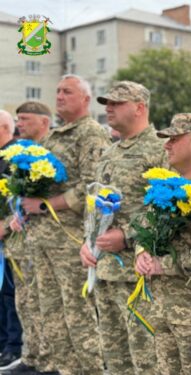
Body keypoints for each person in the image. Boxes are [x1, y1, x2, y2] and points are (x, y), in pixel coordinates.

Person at [11, 74, 110, 375]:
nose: (59, 96)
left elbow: (93, 187)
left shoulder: (91, 133)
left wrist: (44, 205)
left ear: (85, 99)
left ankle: (89, 370)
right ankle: (62, 369)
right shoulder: (54, 136)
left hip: (69, 242)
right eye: (57, 91)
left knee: (78, 317)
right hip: (41, 241)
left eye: (67, 91)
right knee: (50, 315)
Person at [135, 113, 191, 375]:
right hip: (163, 305)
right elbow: (144, 223)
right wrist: (141, 251)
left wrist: (162, 264)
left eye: (174, 139)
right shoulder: (167, 185)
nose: (166, 145)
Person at [79, 81, 161, 375]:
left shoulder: (159, 149)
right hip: (104, 272)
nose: (108, 109)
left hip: (137, 275)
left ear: (139, 108)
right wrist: (86, 242)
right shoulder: (110, 153)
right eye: (106, 103)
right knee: (114, 356)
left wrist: (126, 236)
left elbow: (164, 206)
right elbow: (94, 204)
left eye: (117, 103)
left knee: (146, 358)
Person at [3, 102, 56, 375]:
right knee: (25, 301)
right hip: (23, 239)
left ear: (44, 122)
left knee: (45, 302)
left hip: (52, 241)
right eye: (18, 119)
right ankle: (32, 356)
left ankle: (48, 360)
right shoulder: (23, 154)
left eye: (24, 119)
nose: (19, 123)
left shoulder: (51, 152)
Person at [0, 110, 22, 372]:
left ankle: (12, 345)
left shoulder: (14, 158)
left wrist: (4, 226)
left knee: (9, 293)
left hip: (11, 236)